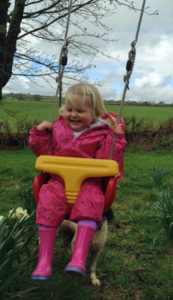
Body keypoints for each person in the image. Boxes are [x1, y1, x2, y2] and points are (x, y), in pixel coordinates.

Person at [29, 82, 126, 280]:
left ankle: (79, 258)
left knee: (92, 202)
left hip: (88, 183)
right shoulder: (57, 128)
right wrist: (39, 133)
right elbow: (41, 151)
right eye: (69, 109)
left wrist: (117, 140)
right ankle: (44, 262)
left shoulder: (102, 133)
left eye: (80, 111)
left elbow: (110, 160)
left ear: (95, 112)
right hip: (57, 181)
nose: (73, 115)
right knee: (47, 202)